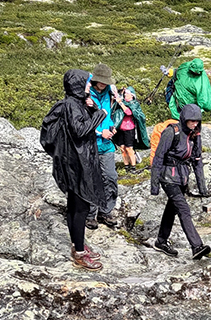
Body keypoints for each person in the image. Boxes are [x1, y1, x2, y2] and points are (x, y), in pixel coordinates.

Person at [41, 69, 105, 270]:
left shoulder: (74, 103)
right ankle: (79, 253)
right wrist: (100, 114)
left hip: (72, 162)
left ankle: (77, 243)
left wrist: (92, 108)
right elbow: (80, 131)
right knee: (81, 208)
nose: (89, 86)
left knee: (73, 206)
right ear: (77, 85)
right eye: (86, 83)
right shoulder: (72, 105)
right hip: (77, 164)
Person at [144, 104, 211, 260]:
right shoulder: (171, 132)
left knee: (171, 209)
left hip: (182, 178)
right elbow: (158, 157)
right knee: (183, 209)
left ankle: (161, 241)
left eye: (197, 121)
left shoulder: (196, 135)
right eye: (191, 121)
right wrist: (154, 185)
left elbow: (197, 160)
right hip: (168, 177)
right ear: (184, 119)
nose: (194, 124)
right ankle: (197, 246)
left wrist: (202, 187)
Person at [166, 57, 211, 196]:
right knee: (187, 146)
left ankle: (200, 186)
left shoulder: (192, 74)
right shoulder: (187, 72)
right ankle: (185, 179)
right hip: (185, 114)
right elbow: (206, 103)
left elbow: (175, 72)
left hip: (185, 114)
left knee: (191, 148)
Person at [86, 63, 124, 229]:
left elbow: (106, 116)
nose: (103, 83)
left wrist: (110, 127)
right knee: (92, 180)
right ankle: (89, 215)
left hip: (106, 145)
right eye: (101, 81)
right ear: (94, 80)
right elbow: (82, 124)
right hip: (91, 144)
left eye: (106, 81)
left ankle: (105, 211)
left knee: (110, 177)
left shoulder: (108, 92)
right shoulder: (85, 96)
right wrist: (100, 133)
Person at [115, 86, 145, 167]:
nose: (125, 95)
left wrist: (120, 103)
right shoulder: (123, 102)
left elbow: (129, 112)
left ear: (132, 95)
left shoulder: (134, 104)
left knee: (129, 148)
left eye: (127, 93)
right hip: (121, 128)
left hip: (129, 128)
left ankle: (133, 166)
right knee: (122, 148)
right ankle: (126, 165)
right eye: (125, 93)